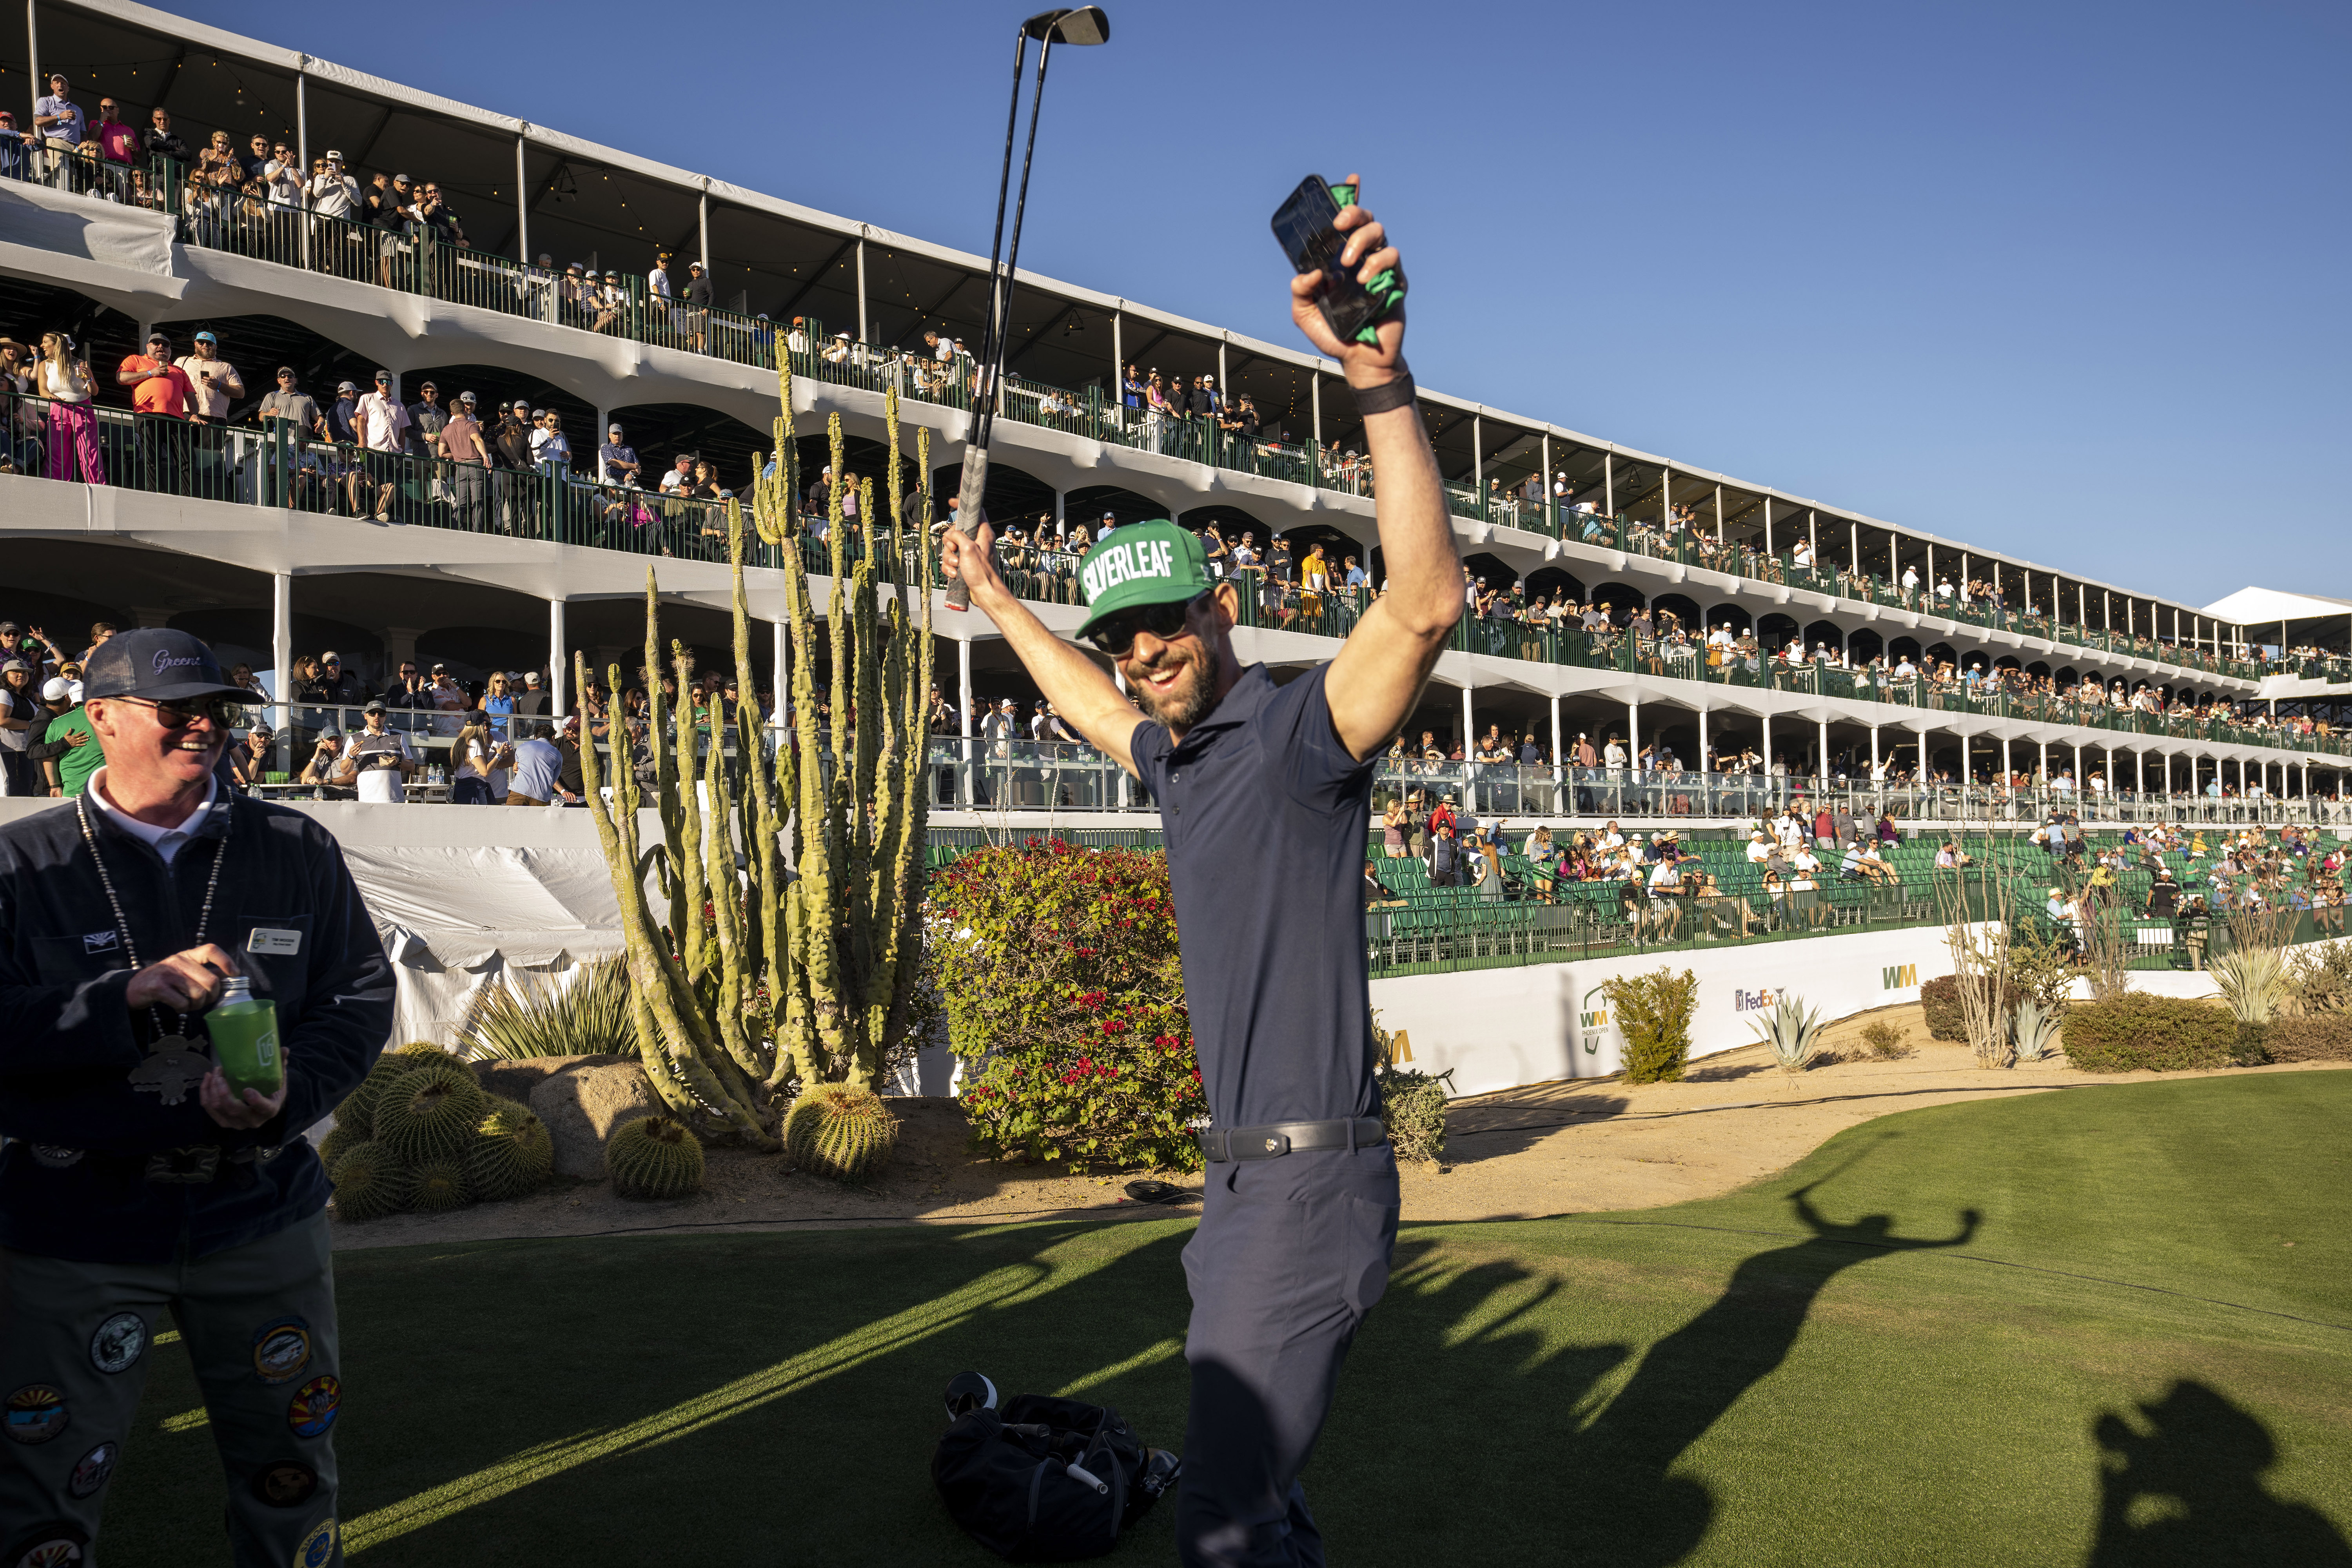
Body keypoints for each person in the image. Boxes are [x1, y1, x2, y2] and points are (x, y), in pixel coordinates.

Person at [939, 175, 1440, 1566]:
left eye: (1165, 626)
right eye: (1124, 636)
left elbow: (1421, 604)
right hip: (1237, 1192)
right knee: (1249, 1497)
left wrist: (1380, 385)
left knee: (1220, 1518)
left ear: (1218, 611)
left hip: (1308, 1186)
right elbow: (1094, 709)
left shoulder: (1293, 731)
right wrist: (997, 604)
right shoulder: (1177, 753)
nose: (1143, 652)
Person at [0, 628, 393, 1566]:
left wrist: (292, 1093)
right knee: (44, 1495)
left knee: (292, 1476)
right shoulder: (23, 866)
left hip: (259, 1216)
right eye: (178, 710)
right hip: (73, 1226)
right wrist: (118, 999)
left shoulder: (292, 845)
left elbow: (359, 996)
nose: (204, 728)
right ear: (100, 716)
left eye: (218, 711)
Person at [505, 720, 563, 805]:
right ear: (553, 738)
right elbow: (552, 781)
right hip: (541, 797)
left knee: (511, 818)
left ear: (536, 737)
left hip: (519, 792)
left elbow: (518, 767)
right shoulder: (558, 755)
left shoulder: (521, 747)